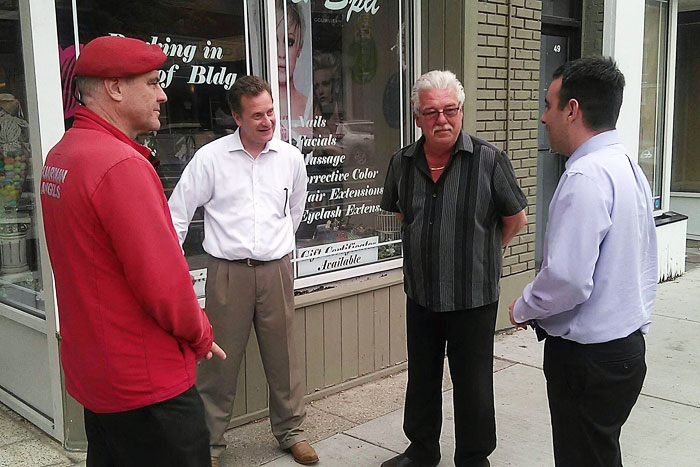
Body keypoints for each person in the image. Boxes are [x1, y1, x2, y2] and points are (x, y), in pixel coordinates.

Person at [40, 35, 225, 467]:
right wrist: (200, 333)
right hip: (147, 386)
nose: (163, 95)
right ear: (116, 88)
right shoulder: (120, 164)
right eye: (153, 82)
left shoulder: (62, 155)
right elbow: (163, 284)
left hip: (99, 377)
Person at [509, 57, 657, 466]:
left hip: (588, 360)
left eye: (549, 105)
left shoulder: (586, 177)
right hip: (624, 350)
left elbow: (570, 280)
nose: (543, 117)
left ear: (571, 110)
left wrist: (524, 306)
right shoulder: (629, 168)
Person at [380, 70, 528, 467]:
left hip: (472, 297)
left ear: (462, 111)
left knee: (474, 384)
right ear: (417, 118)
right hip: (422, 294)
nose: (441, 119)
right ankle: (422, 450)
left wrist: (478, 252)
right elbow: (400, 214)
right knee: (422, 378)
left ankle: (474, 458)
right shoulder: (401, 163)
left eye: (450, 110)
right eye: (431, 112)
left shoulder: (490, 160)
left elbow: (516, 219)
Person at [168, 76, 317, 466]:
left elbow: (294, 211)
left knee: (283, 357)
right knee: (219, 360)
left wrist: (279, 249)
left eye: (271, 112)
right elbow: (177, 214)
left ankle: (291, 431)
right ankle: (211, 443)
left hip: (276, 270)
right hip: (228, 273)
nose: (267, 121)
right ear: (236, 117)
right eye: (257, 116)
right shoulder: (211, 159)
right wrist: (170, 268)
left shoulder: (290, 158)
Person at [276, 0, 312, 142]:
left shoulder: (309, 106)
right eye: (274, 41)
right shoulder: (254, 106)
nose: (281, 53)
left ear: (299, 47)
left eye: (289, 42)